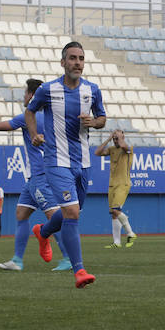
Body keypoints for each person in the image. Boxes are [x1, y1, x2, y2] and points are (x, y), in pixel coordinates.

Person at [0, 78, 71, 271]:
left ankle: (69, 259)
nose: (23, 96)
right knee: (21, 213)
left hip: (41, 175)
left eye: (25, 93)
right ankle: (17, 260)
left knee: (53, 216)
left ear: (32, 95)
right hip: (35, 178)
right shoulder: (52, 117)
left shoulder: (31, 116)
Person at [26, 41, 106, 288]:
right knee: (72, 213)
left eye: (81, 58)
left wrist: (94, 122)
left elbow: (102, 118)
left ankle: (43, 231)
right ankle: (79, 270)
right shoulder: (48, 90)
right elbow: (30, 112)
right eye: (72, 58)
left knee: (73, 211)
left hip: (82, 161)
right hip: (56, 161)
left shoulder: (92, 90)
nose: (77, 63)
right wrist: (33, 135)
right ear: (63, 62)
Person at [95, 129, 138, 249]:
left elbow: (124, 146)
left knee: (116, 210)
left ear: (122, 137)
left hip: (123, 183)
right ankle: (117, 242)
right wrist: (108, 139)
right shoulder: (112, 149)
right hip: (112, 184)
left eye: (117, 138)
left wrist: (120, 137)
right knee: (114, 214)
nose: (115, 141)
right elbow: (97, 153)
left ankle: (130, 233)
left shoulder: (128, 148)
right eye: (114, 139)